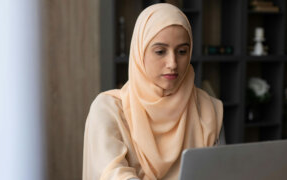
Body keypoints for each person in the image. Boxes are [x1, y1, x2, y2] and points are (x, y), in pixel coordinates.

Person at [83, 3, 224, 180]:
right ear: (139, 52)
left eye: (182, 51)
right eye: (160, 51)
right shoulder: (108, 109)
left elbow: (220, 172)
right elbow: (112, 174)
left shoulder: (208, 108)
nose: (172, 63)